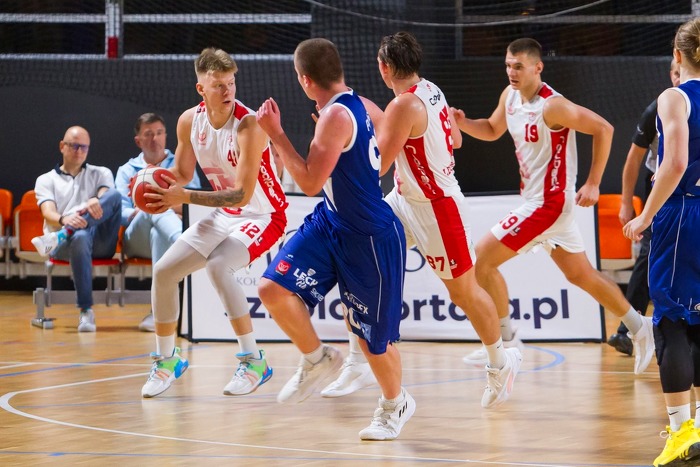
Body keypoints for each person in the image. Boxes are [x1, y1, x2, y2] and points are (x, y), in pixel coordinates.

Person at [320, 31, 522, 408]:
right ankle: (357, 361)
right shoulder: (430, 90)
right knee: (360, 259)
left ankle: (501, 361)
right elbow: (456, 141)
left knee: (463, 292)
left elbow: (378, 164)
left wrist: (343, 142)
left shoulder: (403, 106)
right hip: (405, 200)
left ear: (383, 67)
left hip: (437, 208)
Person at [452, 38, 655, 375]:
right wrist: (463, 122)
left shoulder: (552, 106)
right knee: (580, 274)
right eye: (508, 65)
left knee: (480, 261)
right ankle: (640, 327)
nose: (512, 72)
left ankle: (506, 341)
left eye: (519, 66)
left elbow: (603, 128)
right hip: (540, 204)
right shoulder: (509, 97)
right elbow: (491, 129)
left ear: (538, 67)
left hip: (548, 205)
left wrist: (593, 182)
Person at [255, 38, 414, 441]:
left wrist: (277, 134)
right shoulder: (360, 105)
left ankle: (395, 404)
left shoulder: (336, 116)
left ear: (305, 80)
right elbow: (381, 135)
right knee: (272, 289)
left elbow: (309, 183)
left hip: (369, 237)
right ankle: (317, 358)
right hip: (331, 222)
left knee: (373, 341)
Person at [138, 48, 288, 399]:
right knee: (164, 272)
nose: (227, 90)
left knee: (219, 266)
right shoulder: (189, 121)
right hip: (225, 213)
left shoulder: (249, 125)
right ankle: (167, 360)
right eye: (218, 85)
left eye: (231, 83)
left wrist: (183, 197)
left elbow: (241, 195)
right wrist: (153, 185)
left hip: (264, 213)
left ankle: (254, 361)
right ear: (201, 89)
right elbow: (182, 173)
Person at [623, 19, 700, 467]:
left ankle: (681, 432)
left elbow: (674, 163)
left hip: (682, 214)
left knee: (671, 322)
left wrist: (645, 215)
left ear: (677, 54)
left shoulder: (675, 97)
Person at [606, 59, 681, 356]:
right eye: (675, 74)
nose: (679, 79)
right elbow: (632, 160)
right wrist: (626, 203)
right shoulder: (657, 109)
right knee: (649, 255)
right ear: (671, 74)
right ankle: (629, 329)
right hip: (660, 190)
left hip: (691, 191)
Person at [114, 112, 202, 332]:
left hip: (163, 234)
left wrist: (165, 205)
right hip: (136, 238)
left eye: (159, 133)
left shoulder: (183, 166)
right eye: (148, 134)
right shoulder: (126, 170)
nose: (155, 138)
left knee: (157, 224)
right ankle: (187, 244)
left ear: (166, 136)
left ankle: (158, 314)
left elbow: (195, 205)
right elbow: (121, 213)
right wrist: (149, 207)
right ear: (138, 141)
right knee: (152, 209)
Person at [31, 126, 122, 332]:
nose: (79, 151)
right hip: (65, 246)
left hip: (100, 241)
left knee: (115, 196)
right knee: (80, 236)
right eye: (74, 146)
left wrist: (94, 200)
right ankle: (86, 311)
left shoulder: (101, 173)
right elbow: (48, 212)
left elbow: (107, 197)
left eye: (84, 147)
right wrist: (65, 219)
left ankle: (65, 233)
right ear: (62, 146)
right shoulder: (46, 180)